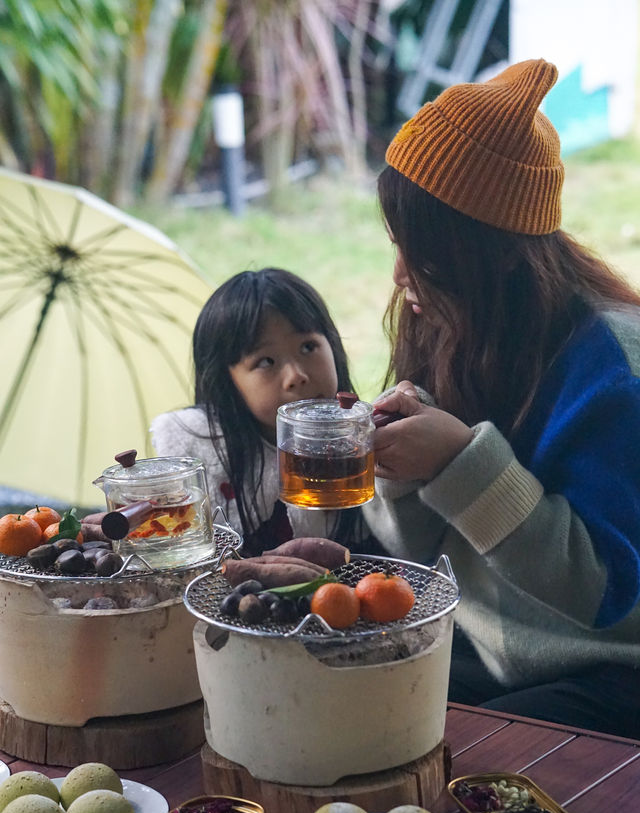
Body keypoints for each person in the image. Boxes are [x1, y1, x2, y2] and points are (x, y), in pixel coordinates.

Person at [363, 59, 640, 738]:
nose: (400, 276)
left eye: (421, 251)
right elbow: (417, 551)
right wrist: (398, 473)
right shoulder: (445, 317)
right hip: (482, 651)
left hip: (608, 670)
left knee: (458, 766)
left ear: (500, 253)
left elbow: (605, 591)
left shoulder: (613, 366)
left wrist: (459, 464)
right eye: (396, 243)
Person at [151, 267, 375, 556]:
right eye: (266, 361)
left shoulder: (369, 439)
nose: (296, 375)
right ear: (226, 382)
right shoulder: (199, 450)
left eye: (308, 347)